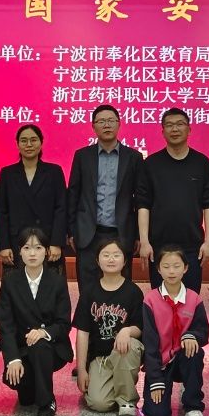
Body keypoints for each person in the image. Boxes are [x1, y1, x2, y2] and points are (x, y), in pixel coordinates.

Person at [67, 104, 144, 295]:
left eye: (111, 121)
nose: (106, 125)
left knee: (120, 289)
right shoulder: (82, 156)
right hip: (88, 234)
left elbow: (139, 198)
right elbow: (73, 194)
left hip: (121, 233)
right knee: (88, 289)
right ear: (93, 126)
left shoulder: (133, 157)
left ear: (119, 124)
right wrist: (71, 231)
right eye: (101, 121)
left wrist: (138, 235)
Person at [137, 108, 209, 291]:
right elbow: (143, 204)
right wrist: (144, 241)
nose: (175, 129)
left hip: (193, 247)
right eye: (169, 125)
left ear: (189, 129)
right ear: (162, 131)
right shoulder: (151, 164)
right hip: (158, 246)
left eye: (180, 124)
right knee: (160, 299)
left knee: (190, 299)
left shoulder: (202, 163)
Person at [0, 227, 72, 416]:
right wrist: (13, 359)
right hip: (22, 348)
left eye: (38, 248)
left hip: (51, 347)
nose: (32, 253)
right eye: (27, 248)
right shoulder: (10, 282)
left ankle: (47, 400)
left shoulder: (57, 281)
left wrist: (43, 332)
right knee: (25, 397)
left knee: (40, 345)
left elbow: (64, 323)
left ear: (46, 252)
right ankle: (31, 385)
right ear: (19, 251)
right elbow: (6, 325)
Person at [141, 246, 209, 416]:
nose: (171, 271)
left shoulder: (194, 299)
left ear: (185, 268)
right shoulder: (150, 300)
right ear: (158, 269)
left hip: (183, 358)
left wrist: (192, 335)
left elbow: (203, 331)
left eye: (176, 266)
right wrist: (155, 378)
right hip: (160, 363)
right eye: (166, 266)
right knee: (157, 415)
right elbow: (149, 343)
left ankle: (193, 407)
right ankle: (160, 388)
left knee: (195, 352)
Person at [74, 237, 145, 416]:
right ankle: (115, 385)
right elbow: (82, 333)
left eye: (116, 255)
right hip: (101, 358)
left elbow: (140, 328)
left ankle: (127, 400)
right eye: (106, 255)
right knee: (99, 403)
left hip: (124, 352)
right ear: (98, 261)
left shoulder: (133, 292)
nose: (111, 259)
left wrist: (126, 331)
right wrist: (81, 369)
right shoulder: (89, 292)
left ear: (125, 260)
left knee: (128, 345)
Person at [0, 124, 67, 267]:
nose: (29, 144)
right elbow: (2, 212)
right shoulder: (7, 173)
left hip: (47, 243)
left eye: (33, 140)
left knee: (49, 281)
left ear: (41, 142)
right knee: (17, 281)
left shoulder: (54, 172)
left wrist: (57, 242)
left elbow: (61, 209)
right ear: (17, 144)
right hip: (17, 243)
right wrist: (3, 245)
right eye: (24, 140)